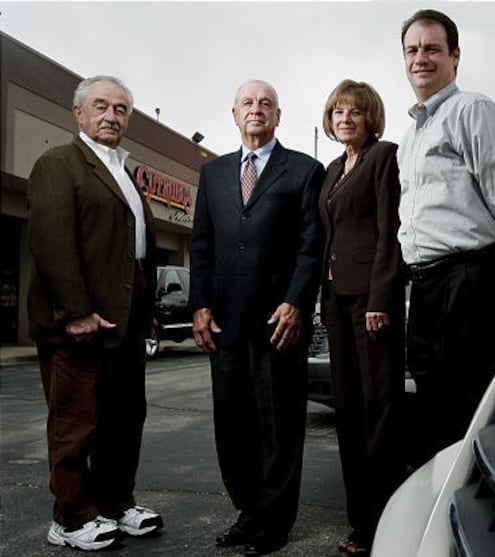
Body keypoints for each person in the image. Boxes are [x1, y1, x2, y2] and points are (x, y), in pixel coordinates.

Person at [189, 79, 325, 556]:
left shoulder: (305, 171)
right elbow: (201, 244)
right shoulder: (213, 174)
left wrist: (296, 301)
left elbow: (312, 245)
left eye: (265, 103)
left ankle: (274, 523)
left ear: (278, 116)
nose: (256, 109)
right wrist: (199, 305)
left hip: (278, 322)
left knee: (279, 428)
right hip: (224, 323)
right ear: (234, 114)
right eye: (248, 102)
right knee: (234, 427)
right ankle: (248, 513)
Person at [27, 75, 163, 551]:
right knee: (75, 424)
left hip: (124, 326)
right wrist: (76, 312)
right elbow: (51, 242)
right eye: (102, 107)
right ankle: (70, 518)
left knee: (124, 422)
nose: (112, 116)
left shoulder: (124, 171)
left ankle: (116, 504)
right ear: (78, 114)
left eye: (121, 109)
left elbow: (134, 252)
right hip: (80, 328)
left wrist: (145, 316)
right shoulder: (58, 163)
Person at [398, 10, 495, 462]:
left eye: (432, 49)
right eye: (413, 50)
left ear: (455, 56)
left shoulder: (471, 110)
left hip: (470, 283)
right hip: (426, 286)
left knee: (474, 414)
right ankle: (440, 521)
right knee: (435, 416)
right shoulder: (410, 136)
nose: (421, 58)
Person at [319, 80, 406, 555]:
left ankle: (387, 524)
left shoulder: (384, 157)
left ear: (371, 116)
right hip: (335, 300)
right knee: (349, 412)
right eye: (337, 112)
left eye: (354, 111)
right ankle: (361, 523)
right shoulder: (333, 168)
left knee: (379, 413)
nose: (345, 119)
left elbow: (389, 232)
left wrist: (379, 299)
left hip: (372, 304)